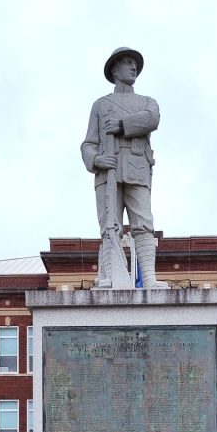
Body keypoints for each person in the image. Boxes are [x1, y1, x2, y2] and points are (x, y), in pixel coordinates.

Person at [81, 47, 165, 288]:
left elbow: (152, 119)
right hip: (108, 170)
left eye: (134, 63)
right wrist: (97, 160)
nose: (133, 67)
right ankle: (109, 276)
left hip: (137, 168)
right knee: (110, 226)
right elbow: (88, 143)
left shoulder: (148, 102)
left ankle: (148, 278)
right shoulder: (100, 105)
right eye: (127, 63)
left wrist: (121, 124)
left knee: (144, 224)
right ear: (114, 70)